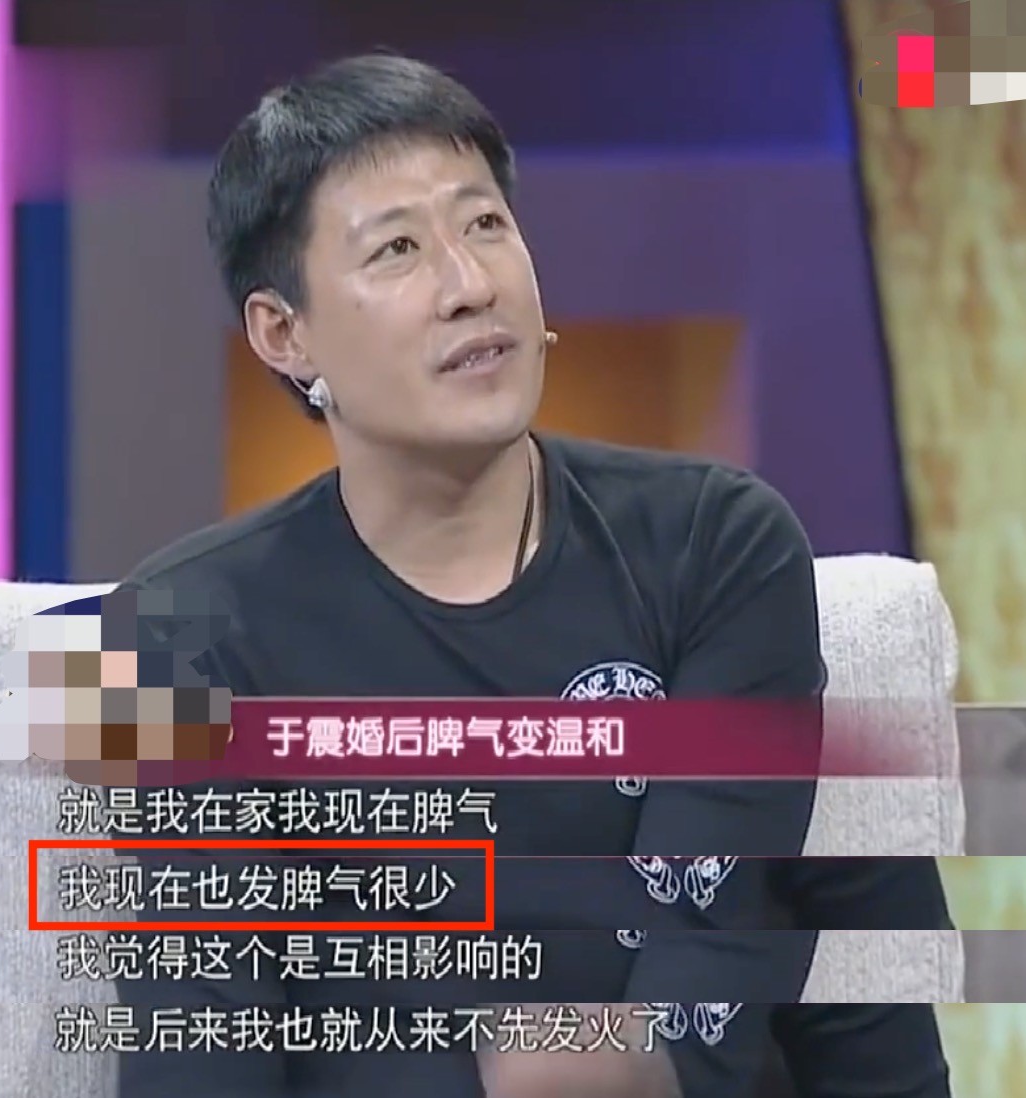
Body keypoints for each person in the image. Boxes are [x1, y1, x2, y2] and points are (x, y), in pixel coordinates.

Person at [115, 53, 955, 1098]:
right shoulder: (169, 632)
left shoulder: (716, 545)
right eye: (397, 249)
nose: (470, 286)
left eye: (484, 224)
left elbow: (699, 1005)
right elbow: (198, 1050)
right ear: (284, 333)